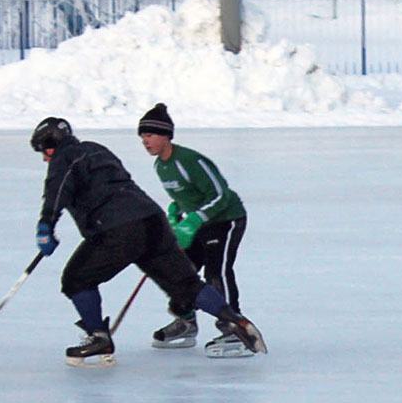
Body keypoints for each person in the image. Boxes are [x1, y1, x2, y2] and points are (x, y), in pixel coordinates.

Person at [30, 116, 267, 367]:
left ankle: (98, 337)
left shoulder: (64, 156)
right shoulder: (97, 150)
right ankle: (232, 319)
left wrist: (46, 225)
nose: (45, 158)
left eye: (43, 151)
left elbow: (57, 189)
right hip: (152, 221)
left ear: (51, 143)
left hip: (117, 229)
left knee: (76, 279)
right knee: (185, 284)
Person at [138, 103, 253, 358]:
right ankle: (186, 321)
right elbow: (183, 196)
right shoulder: (160, 166)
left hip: (226, 218)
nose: (145, 141)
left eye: (150, 135)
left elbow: (220, 194)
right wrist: (175, 214)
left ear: (166, 135)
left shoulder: (190, 160)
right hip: (198, 223)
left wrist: (195, 219)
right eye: (142, 136)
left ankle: (234, 327)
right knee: (178, 270)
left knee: (216, 271)